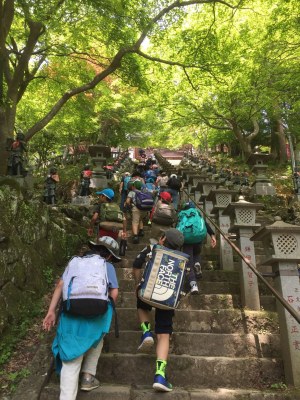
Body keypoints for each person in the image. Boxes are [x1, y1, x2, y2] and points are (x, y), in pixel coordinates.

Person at [42, 237, 120, 400]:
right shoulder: (108, 266)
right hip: (97, 314)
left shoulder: (75, 263)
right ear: (110, 255)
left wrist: (51, 311)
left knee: (71, 357)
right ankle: (87, 377)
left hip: (72, 312)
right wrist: (107, 312)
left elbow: (60, 286)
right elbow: (114, 292)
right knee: (98, 338)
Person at [132, 228, 185, 392]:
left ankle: (146, 332)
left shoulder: (150, 249)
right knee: (163, 334)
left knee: (141, 306)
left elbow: (136, 265)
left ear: (162, 239)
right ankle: (160, 375)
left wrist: (138, 283)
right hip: (167, 299)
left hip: (147, 292)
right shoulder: (182, 259)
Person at [179, 202, 217, 294]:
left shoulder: (182, 215)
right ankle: (197, 263)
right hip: (198, 239)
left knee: (188, 263)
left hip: (187, 241)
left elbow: (179, 227)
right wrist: (212, 235)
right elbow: (205, 225)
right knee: (196, 254)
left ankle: (193, 285)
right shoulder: (197, 214)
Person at [125, 180, 149, 244]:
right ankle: (141, 231)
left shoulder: (132, 192)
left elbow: (127, 201)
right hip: (144, 209)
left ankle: (135, 236)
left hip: (136, 209)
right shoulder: (143, 192)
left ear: (133, 186)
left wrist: (130, 206)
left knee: (135, 222)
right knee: (140, 219)